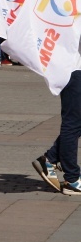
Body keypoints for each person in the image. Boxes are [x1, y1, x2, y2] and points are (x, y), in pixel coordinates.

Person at [33, 66, 81, 195]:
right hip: (73, 70)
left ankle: (50, 159)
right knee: (73, 123)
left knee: (75, 122)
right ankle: (72, 179)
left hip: (73, 70)